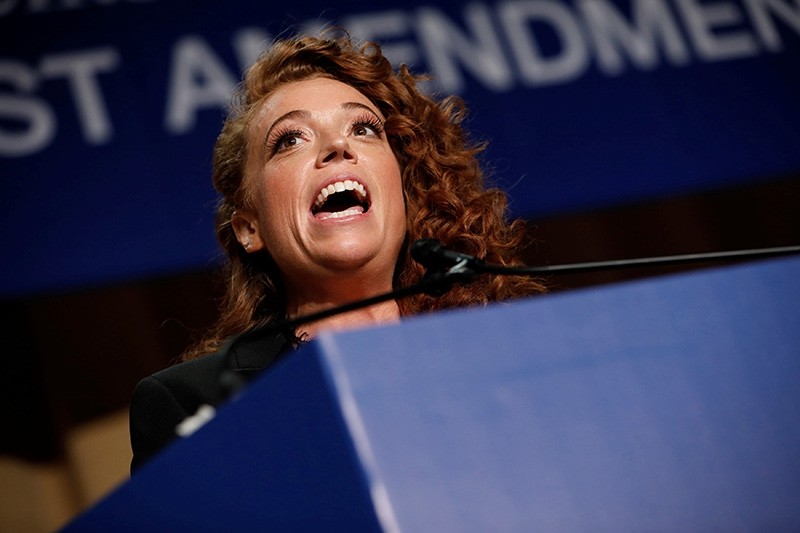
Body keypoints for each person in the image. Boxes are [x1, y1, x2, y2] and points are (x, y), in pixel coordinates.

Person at [129, 34, 546, 472]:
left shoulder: (505, 354)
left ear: (403, 193)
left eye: (363, 129)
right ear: (250, 229)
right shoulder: (197, 402)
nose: (337, 147)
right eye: (290, 139)